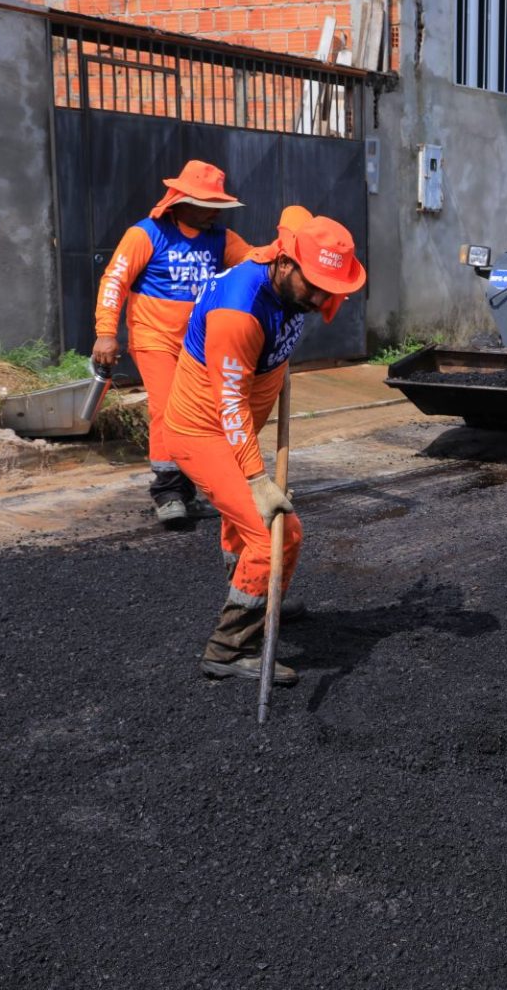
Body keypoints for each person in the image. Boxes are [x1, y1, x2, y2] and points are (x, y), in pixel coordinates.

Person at [164, 215, 366, 686]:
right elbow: (229, 403)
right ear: (285, 261)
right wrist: (257, 480)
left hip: (235, 427)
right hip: (205, 430)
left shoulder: (291, 271)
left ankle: (260, 589)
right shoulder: (238, 311)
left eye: (328, 288)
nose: (320, 299)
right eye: (315, 286)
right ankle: (230, 649)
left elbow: (295, 216)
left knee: (247, 532)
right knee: (276, 532)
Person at [93, 160, 253, 526]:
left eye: (218, 205)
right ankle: (167, 493)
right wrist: (106, 332)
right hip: (155, 339)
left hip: (199, 345)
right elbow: (114, 281)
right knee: (166, 411)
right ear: (182, 200)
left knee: (203, 416)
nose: (214, 212)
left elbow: (254, 265)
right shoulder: (146, 234)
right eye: (207, 204)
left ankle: (193, 489)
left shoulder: (222, 239)